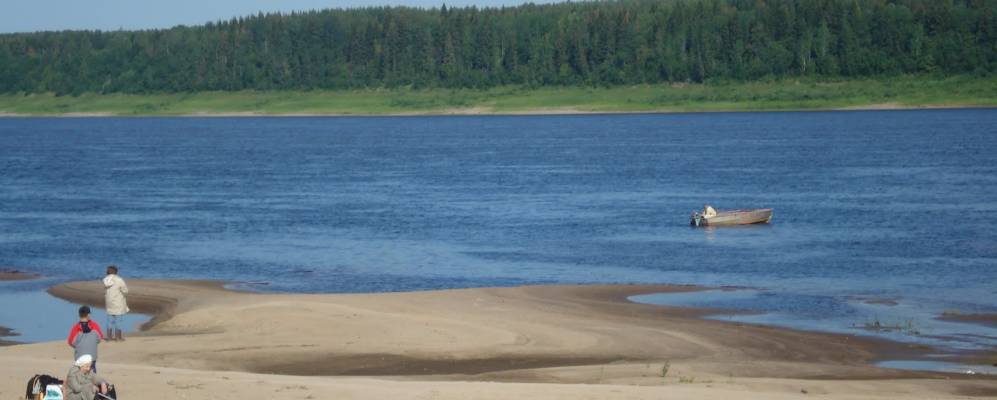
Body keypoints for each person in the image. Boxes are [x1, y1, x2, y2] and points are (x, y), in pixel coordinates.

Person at [67, 306, 103, 373]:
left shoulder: (75, 328)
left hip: (80, 357)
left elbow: (71, 342)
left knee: (79, 373)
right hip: (92, 357)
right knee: (92, 373)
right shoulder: (95, 326)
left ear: (79, 315)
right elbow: (100, 338)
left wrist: (79, 345)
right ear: (88, 315)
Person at [103, 265, 129, 341]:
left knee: (109, 320)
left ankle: (109, 337)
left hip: (109, 303)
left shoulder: (105, 280)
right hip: (118, 303)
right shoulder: (119, 280)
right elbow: (125, 291)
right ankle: (118, 337)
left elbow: (106, 291)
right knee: (118, 320)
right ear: (116, 272)